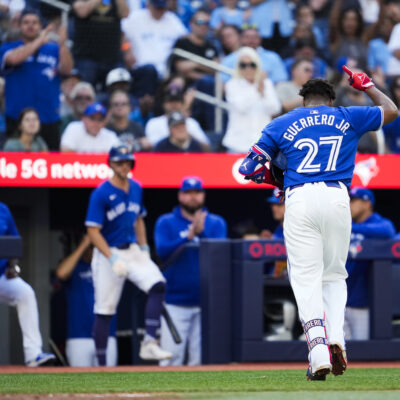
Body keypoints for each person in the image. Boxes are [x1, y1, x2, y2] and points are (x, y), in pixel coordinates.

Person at [238, 66, 398, 380]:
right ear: (329, 98)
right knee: (335, 275)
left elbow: (248, 167)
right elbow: (392, 110)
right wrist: (366, 85)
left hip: (300, 198)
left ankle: (317, 350)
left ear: (304, 100)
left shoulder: (282, 122)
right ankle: (336, 337)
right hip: (338, 197)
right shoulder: (346, 115)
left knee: (305, 277)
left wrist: (274, 176)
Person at [85, 144, 172, 365]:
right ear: (111, 164)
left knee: (157, 284)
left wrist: (144, 249)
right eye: (120, 162)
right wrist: (111, 258)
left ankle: (149, 343)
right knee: (105, 310)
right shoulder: (101, 193)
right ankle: (102, 365)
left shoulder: (136, 188)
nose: (124, 165)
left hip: (132, 248)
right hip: (108, 252)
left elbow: (139, 219)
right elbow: (93, 231)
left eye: (127, 161)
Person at [154, 176, 227, 365]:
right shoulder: (166, 222)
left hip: (207, 304)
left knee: (202, 361)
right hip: (174, 302)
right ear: (180, 195)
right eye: (188, 193)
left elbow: (220, 255)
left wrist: (201, 232)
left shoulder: (216, 222)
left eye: (197, 192)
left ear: (203, 195)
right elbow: (161, 252)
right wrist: (188, 237)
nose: (193, 197)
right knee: (171, 359)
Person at [0, 9, 73, 150]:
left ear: (41, 26)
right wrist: (40, 40)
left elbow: (67, 69)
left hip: (48, 116)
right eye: (26, 22)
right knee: (15, 164)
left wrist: (62, 45)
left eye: (34, 22)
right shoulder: (8, 47)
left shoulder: (53, 49)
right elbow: (14, 59)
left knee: (51, 164)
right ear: (19, 26)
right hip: (18, 118)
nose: (30, 26)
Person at [0, 202, 56, 366]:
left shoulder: (3, 209)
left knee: (25, 292)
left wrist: (13, 265)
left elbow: (14, 243)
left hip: (2, 275)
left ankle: (33, 354)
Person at [55, 234, 118, 367]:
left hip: (107, 335)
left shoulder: (110, 266)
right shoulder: (77, 267)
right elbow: (61, 273)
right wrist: (84, 245)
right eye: (91, 246)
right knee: (80, 384)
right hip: (79, 337)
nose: (94, 249)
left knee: (107, 383)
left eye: (96, 245)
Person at [345, 187, 395, 340]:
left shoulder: (379, 223)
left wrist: (348, 227)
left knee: (363, 355)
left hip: (363, 303)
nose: (349, 204)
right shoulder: (345, 224)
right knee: (338, 354)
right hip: (340, 301)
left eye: (353, 201)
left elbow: (388, 231)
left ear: (367, 204)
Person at [222, 46, 281, 153]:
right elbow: (241, 107)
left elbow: (275, 109)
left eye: (252, 65)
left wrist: (263, 92)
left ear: (257, 65)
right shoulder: (232, 85)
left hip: (262, 143)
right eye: (243, 65)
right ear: (238, 67)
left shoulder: (266, 83)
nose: (248, 69)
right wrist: (257, 90)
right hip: (237, 144)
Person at [72, 0, 129, 89]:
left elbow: (125, 13)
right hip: (86, 57)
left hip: (112, 57)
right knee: (85, 92)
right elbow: (82, 12)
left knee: (117, 93)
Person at [122, 0, 187, 77]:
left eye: (162, 8)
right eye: (157, 8)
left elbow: (185, 39)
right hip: (140, 68)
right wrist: (127, 51)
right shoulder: (135, 18)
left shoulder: (173, 20)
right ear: (148, 5)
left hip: (166, 71)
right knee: (150, 70)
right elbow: (122, 35)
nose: (160, 11)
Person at [145, 87, 210, 148]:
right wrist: (175, 138)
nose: (174, 104)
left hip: (187, 158)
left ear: (182, 103)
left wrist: (189, 136)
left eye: (177, 101)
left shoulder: (191, 122)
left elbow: (207, 149)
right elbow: (149, 147)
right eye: (170, 101)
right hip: (162, 158)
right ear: (163, 103)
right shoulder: (153, 122)